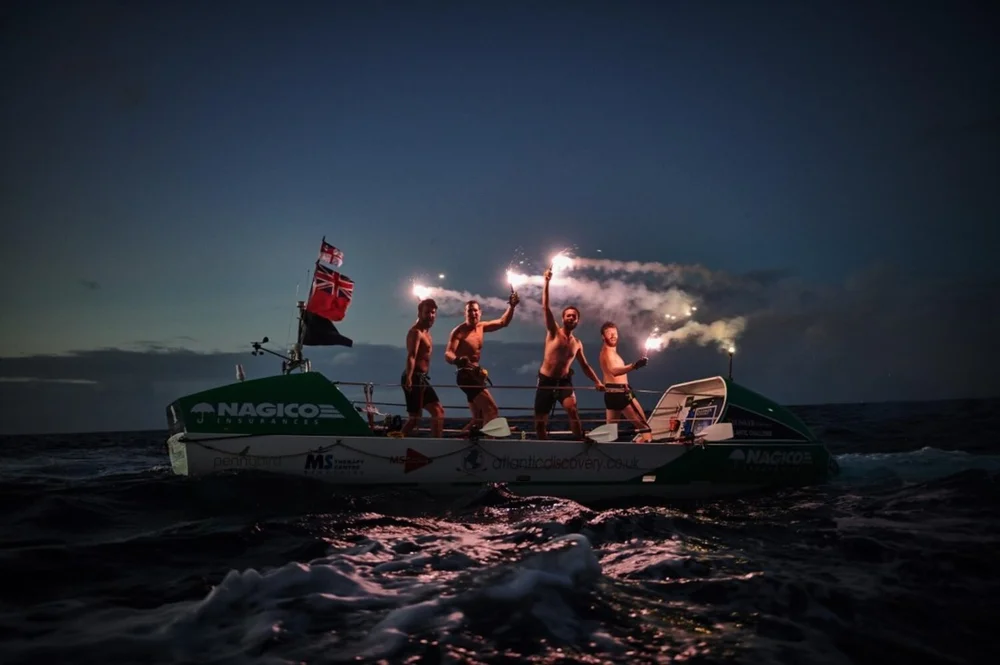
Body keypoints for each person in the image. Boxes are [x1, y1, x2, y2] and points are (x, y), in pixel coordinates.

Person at [533, 267, 604, 440]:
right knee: (540, 422)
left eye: (574, 316)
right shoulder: (553, 332)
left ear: (578, 321)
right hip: (546, 381)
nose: (571, 318)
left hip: (564, 382)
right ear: (563, 318)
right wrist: (547, 282)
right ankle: (542, 449)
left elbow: (585, 366)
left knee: (572, 410)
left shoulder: (577, 343)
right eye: (568, 315)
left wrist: (597, 382)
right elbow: (545, 307)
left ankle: (580, 442)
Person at [445, 292, 520, 434]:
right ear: (465, 313)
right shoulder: (459, 332)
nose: (473, 313)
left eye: (475, 310)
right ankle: (489, 443)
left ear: (480, 313)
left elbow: (503, 322)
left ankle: (456, 442)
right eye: (469, 311)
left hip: (476, 375)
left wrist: (512, 306)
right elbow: (448, 353)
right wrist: (457, 360)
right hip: (466, 375)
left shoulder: (481, 327)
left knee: (478, 419)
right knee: (491, 409)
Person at [598, 321, 653, 442]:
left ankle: (605, 455)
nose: (613, 336)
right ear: (603, 337)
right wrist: (634, 366)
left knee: (610, 432)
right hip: (621, 393)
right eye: (609, 333)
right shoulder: (607, 353)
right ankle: (650, 455)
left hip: (611, 394)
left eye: (615, 333)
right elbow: (614, 371)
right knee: (645, 428)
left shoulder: (610, 352)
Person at [400, 298, 445, 437]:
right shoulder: (416, 332)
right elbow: (411, 355)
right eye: (427, 312)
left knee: (434, 412)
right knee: (418, 418)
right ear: (419, 313)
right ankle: (392, 444)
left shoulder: (427, 333)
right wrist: (409, 377)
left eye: (433, 313)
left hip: (422, 379)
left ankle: (435, 445)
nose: (430, 316)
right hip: (413, 377)